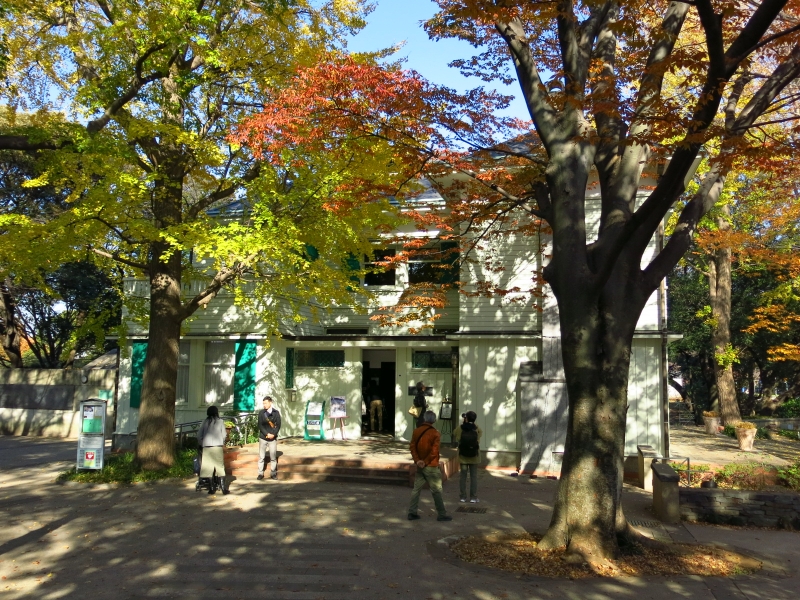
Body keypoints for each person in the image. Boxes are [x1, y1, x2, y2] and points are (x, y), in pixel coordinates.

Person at [408, 410, 452, 522]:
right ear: (434, 420)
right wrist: (425, 461)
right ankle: (441, 514)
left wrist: (418, 461)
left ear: (424, 418)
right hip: (431, 466)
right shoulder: (435, 433)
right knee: (436, 490)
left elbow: (412, 447)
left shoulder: (416, 431)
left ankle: (412, 512)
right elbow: (434, 451)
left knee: (416, 489)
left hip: (420, 465)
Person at [197, 405, 229, 495]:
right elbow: (224, 435)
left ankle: (211, 488)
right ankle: (223, 488)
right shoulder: (220, 421)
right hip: (217, 446)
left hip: (206, 447)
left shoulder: (205, 422)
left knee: (208, 467)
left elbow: (199, 435)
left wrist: (202, 443)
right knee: (220, 466)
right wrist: (221, 441)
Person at [453, 411, 482, 503]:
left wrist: (463, 424)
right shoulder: (476, 428)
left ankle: (463, 497)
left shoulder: (460, 428)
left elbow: (455, 434)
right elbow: (479, 435)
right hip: (474, 455)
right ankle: (473, 497)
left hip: (463, 455)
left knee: (463, 476)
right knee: (474, 477)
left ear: (466, 418)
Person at [257, 396, 281, 480]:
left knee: (273, 457)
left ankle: (273, 473)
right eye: (263, 403)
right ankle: (260, 473)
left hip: (272, 438)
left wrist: (273, 434)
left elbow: (278, 425)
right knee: (261, 457)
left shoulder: (276, 413)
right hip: (263, 437)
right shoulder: (261, 413)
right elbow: (260, 425)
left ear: (270, 403)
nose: (264, 405)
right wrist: (266, 434)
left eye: (266, 403)